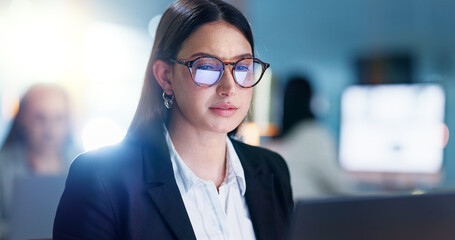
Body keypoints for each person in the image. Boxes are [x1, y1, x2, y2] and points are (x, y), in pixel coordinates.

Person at [53, 0, 293, 239]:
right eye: (207, 67)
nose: (229, 87)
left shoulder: (272, 171)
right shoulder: (101, 179)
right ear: (166, 77)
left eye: (242, 66)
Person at [0, 84, 77, 240]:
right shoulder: (3, 167)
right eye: (39, 118)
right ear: (22, 119)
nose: (50, 130)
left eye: (59, 118)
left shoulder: (83, 167)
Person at [264, 76, 354, 200]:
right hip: (312, 216)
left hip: (284, 215)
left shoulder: (273, 143)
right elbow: (339, 186)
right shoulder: (315, 135)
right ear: (311, 100)